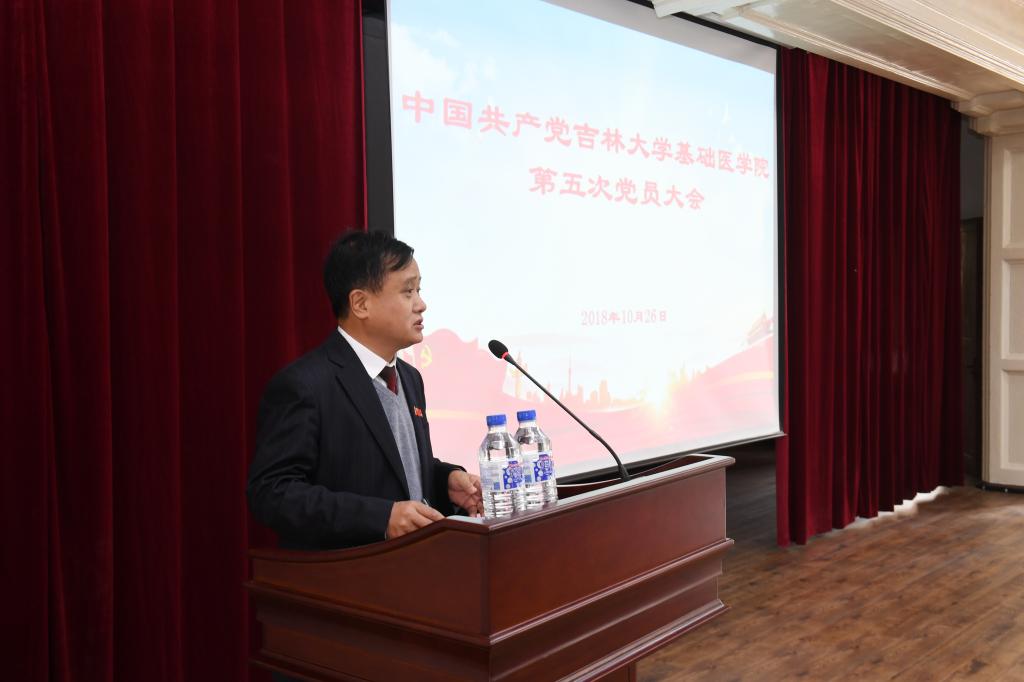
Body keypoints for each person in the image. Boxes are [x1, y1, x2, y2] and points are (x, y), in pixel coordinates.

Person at [247, 230, 482, 550]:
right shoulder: (305, 385)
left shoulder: (409, 377)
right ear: (360, 303)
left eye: (419, 290)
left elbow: (396, 469)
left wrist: (445, 480)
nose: (421, 304)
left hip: (416, 567)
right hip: (347, 574)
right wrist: (380, 518)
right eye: (408, 291)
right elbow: (272, 493)